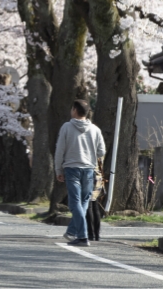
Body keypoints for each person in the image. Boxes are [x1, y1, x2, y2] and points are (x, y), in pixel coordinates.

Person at [55, 99, 106, 247]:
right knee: (84, 201)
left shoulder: (66, 127)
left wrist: (58, 169)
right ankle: (71, 231)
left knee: (75, 202)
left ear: (75, 110)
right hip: (89, 169)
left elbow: (60, 150)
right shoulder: (95, 129)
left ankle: (82, 236)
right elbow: (101, 151)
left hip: (72, 168)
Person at [86, 162, 104, 242]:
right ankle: (97, 234)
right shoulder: (99, 150)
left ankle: (91, 233)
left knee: (89, 205)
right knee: (94, 205)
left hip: (89, 173)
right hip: (98, 175)